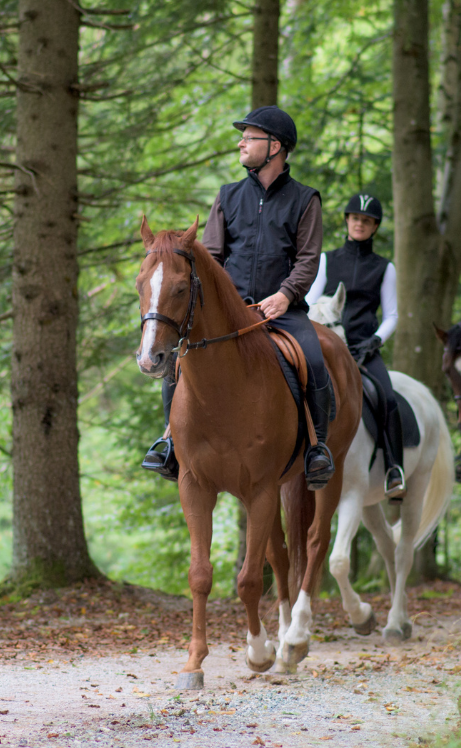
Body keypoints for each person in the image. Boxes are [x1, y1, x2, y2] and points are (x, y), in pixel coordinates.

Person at [141, 105, 335, 489]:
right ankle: (169, 442)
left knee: (313, 358)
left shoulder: (305, 199)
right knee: (180, 360)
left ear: (274, 145)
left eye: (249, 137)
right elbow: (211, 258)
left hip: (281, 310)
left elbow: (308, 259)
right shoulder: (228, 196)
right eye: (242, 136)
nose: (240, 143)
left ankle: (317, 448)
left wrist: (285, 295)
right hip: (230, 313)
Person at [305, 192, 404, 498]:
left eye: (367, 221)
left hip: (364, 348)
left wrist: (375, 341)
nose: (360, 224)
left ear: (375, 227)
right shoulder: (326, 260)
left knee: (387, 398)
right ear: (347, 221)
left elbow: (391, 315)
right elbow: (308, 302)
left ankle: (393, 469)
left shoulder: (384, 268)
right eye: (356, 218)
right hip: (326, 345)